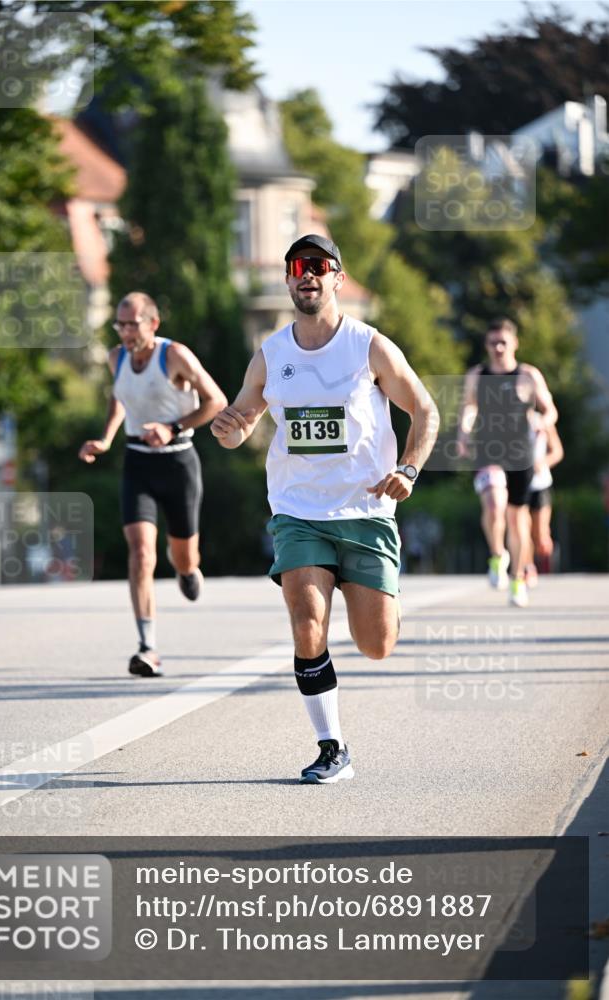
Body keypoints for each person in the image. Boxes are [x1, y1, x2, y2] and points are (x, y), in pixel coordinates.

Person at [211, 234, 439, 784]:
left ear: (338, 277)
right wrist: (228, 429)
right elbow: (241, 422)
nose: (306, 275)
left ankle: (384, 601)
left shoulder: (369, 347)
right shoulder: (271, 355)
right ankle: (332, 746)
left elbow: (425, 410)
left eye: (317, 266)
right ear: (289, 280)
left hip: (366, 510)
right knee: (307, 621)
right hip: (298, 512)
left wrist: (408, 469)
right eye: (297, 267)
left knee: (376, 645)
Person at [79, 291, 227, 677]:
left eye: (133, 325)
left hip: (178, 462)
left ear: (153, 323)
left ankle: (187, 570)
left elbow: (216, 400)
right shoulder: (116, 358)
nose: (126, 332)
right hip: (138, 463)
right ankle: (147, 647)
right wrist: (106, 438)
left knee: (184, 557)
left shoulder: (174, 355)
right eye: (121, 325)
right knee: (142, 553)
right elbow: (119, 397)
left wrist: (171, 427)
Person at [457, 318, 557, 607]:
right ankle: (498, 554)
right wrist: (463, 433)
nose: (498, 348)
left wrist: (543, 422)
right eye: (493, 343)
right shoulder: (478, 375)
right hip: (488, 451)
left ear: (514, 343)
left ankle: (517, 578)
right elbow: (469, 407)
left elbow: (550, 410)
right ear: (486, 345)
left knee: (517, 519)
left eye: (503, 342)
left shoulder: (528, 375)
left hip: (520, 454)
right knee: (493, 505)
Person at [523, 414, 564, 583]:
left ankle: (548, 567)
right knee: (522, 529)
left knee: (541, 536)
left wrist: (543, 463)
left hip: (541, 484)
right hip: (520, 484)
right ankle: (528, 567)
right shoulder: (508, 421)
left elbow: (557, 451)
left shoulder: (541, 421)